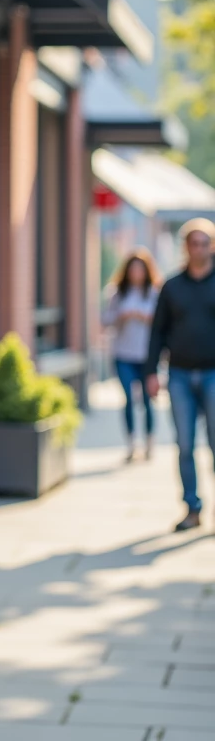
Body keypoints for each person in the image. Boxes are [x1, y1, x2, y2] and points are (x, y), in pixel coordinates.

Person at [146, 218, 215, 531]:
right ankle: (192, 508)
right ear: (185, 246)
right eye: (193, 242)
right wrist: (151, 372)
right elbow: (157, 332)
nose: (199, 248)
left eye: (204, 243)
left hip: (214, 373)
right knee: (185, 444)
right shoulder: (172, 286)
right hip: (180, 375)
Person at [102, 249, 161, 461]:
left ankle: (149, 443)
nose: (136, 273)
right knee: (128, 398)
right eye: (133, 269)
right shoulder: (117, 293)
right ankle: (131, 444)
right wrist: (122, 316)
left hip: (146, 356)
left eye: (140, 269)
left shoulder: (155, 293)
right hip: (123, 354)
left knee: (147, 401)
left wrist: (144, 316)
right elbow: (105, 321)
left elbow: (162, 324)